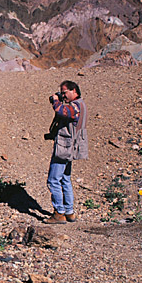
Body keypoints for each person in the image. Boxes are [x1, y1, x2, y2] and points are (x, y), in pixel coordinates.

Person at [44, 80, 88, 224]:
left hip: (64, 147)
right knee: (65, 179)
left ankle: (59, 213)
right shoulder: (82, 104)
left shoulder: (75, 107)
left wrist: (55, 101)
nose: (63, 96)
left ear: (74, 90)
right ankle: (69, 212)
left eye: (65, 93)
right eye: (61, 93)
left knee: (53, 180)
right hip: (71, 147)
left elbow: (61, 111)